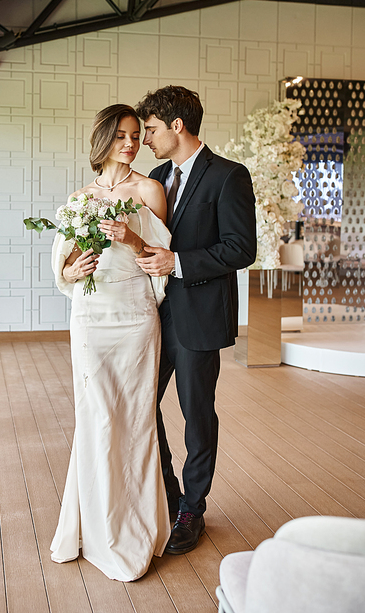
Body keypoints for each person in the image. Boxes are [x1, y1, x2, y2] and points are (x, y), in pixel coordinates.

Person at [50, 104, 171, 581]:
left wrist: (131, 240)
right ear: (103, 139)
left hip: (136, 318)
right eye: (121, 135)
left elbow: (159, 259)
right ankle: (91, 528)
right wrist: (70, 270)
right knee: (96, 419)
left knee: (137, 421)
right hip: (91, 319)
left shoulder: (149, 190)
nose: (131, 143)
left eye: (137, 135)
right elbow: (66, 265)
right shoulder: (78, 198)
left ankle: (136, 528)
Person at [135, 85, 257, 555]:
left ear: (177, 126)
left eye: (150, 129)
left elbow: (240, 248)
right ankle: (169, 492)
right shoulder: (156, 176)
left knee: (196, 415)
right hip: (151, 315)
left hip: (199, 316)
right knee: (142, 404)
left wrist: (177, 262)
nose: (145, 139)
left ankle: (193, 508)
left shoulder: (228, 176)